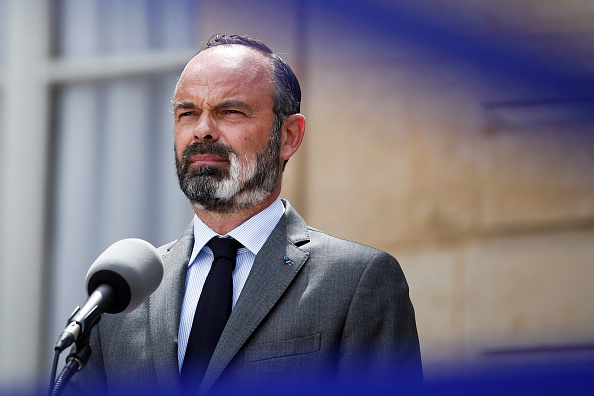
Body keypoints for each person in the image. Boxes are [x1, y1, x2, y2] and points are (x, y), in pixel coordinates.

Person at [66, 34, 422, 395]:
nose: (202, 129)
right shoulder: (122, 295)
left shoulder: (356, 282)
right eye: (187, 113)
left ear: (288, 136)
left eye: (230, 111)